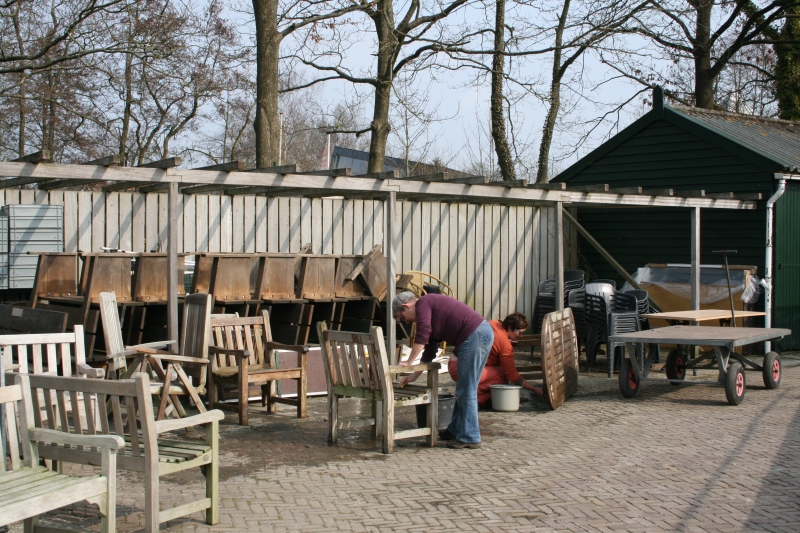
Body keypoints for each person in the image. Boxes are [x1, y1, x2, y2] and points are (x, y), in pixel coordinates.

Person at [393, 291, 494, 450]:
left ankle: (470, 437)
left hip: (474, 335)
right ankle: (455, 430)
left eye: (402, 316)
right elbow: (429, 351)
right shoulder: (430, 312)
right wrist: (413, 376)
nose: (405, 321)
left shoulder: (424, 302)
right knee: (464, 389)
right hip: (480, 333)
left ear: (406, 306)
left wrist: (409, 361)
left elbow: (423, 333)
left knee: (466, 390)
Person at [447, 312, 544, 408]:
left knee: (498, 368)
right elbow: (512, 375)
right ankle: (473, 398)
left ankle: (470, 393)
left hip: (453, 363)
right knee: (503, 374)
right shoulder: (505, 345)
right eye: (520, 333)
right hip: (461, 370)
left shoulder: (494, 323)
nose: (521, 336)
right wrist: (534, 389)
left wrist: (505, 341)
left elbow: (494, 340)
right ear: (510, 328)